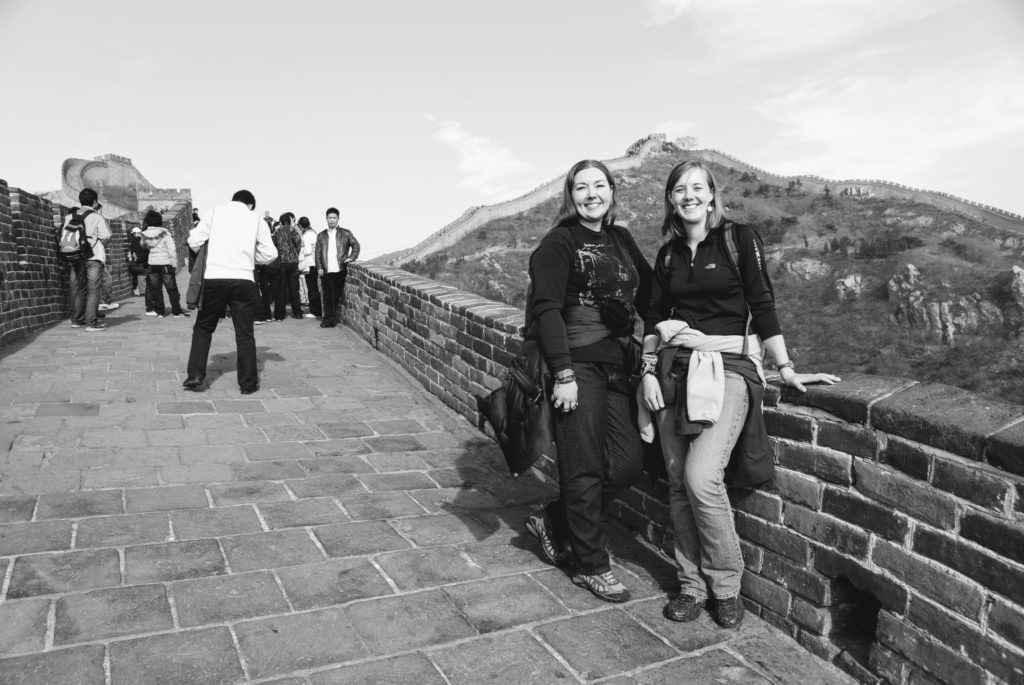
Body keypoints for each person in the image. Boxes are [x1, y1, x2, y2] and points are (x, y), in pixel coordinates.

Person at [640, 161, 840, 628]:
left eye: (697, 188)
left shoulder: (737, 238)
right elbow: (652, 321)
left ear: (712, 195)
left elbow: (762, 301)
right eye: (678, 190)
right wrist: (648, 372)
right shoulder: (667, 255)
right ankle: (690, 585)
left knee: (701, 476)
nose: (688, 196)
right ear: (671, 200)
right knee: (675, 482)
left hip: (728, 367)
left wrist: (785, 368)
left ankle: (726, 585)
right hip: (675, 369)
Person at [523, 160, 653, 603]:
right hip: (576, 365)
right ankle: (589, 565)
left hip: (617, 365)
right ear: (570, 195)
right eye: (582, 187)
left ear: (612, 191)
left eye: (600, 185)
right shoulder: (559, 243)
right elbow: (547, 311)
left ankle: (555, 519)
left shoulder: (621, 239)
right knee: (582, 466)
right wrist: (562, 373)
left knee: (627, 463)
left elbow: (651, 294)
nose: (591, 194)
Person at [184, 190, 277, 394]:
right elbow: (271, 253)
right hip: (243, 279)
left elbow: (194, 241)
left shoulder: (214, 212)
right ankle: (248, 384)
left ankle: (195, 374)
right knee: (245, 333)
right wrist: (251, 259)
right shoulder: (257, 220)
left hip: (215, 277)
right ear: (250, 205)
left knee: (203, 328)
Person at [63, 188, 111, 332]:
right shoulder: (97, 217)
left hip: (74, 255)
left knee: (77, 288)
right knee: (93, 290)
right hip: (93, 256)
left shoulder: (69, 216)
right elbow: (106, 236)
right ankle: (91, 323)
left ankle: (77, 320)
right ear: (95, 202)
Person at [314, 207, 360, 328]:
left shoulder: (345, 233)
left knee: (336, 295)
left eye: (334, 218)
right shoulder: (321, 235)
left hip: (340, 269)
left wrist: (351, 257)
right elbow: (318, 253)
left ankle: (330, 318)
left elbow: (356, 245)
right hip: (326, 269)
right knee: (328, 295)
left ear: (338, 219)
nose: (332, 220)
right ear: (326, 219)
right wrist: (319, 266)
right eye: (330, 218)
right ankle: (328, 319)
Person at [141, 209, 188, 318]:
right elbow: (172, 250)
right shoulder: (165, 234)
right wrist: (174, 264)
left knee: (156, 290)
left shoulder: (144, 235)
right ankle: (176, 311)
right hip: (165, 264)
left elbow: (143, 246)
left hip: (152, 264)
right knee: (172, 289)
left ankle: (160, 312)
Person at [272, 212, 304, 320]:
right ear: (290, 221)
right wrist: (294, 254)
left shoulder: (277, 232)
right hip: (293, 263)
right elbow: (299, 244)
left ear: (280, 222)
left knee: (281, 290)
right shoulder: (293, 231)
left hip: (281, 263)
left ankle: (279, 315)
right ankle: (298, 313)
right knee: (294, 289)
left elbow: (274, 247)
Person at [297, 216, 319, 318]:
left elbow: (307, 251)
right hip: (315, 263)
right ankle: (316, 310)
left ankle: (315, 311)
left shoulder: (306, 236)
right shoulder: (313, 233)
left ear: (300, 226)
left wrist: (301, 250)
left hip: (309, 264)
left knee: (311, 288)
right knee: (314, 287)